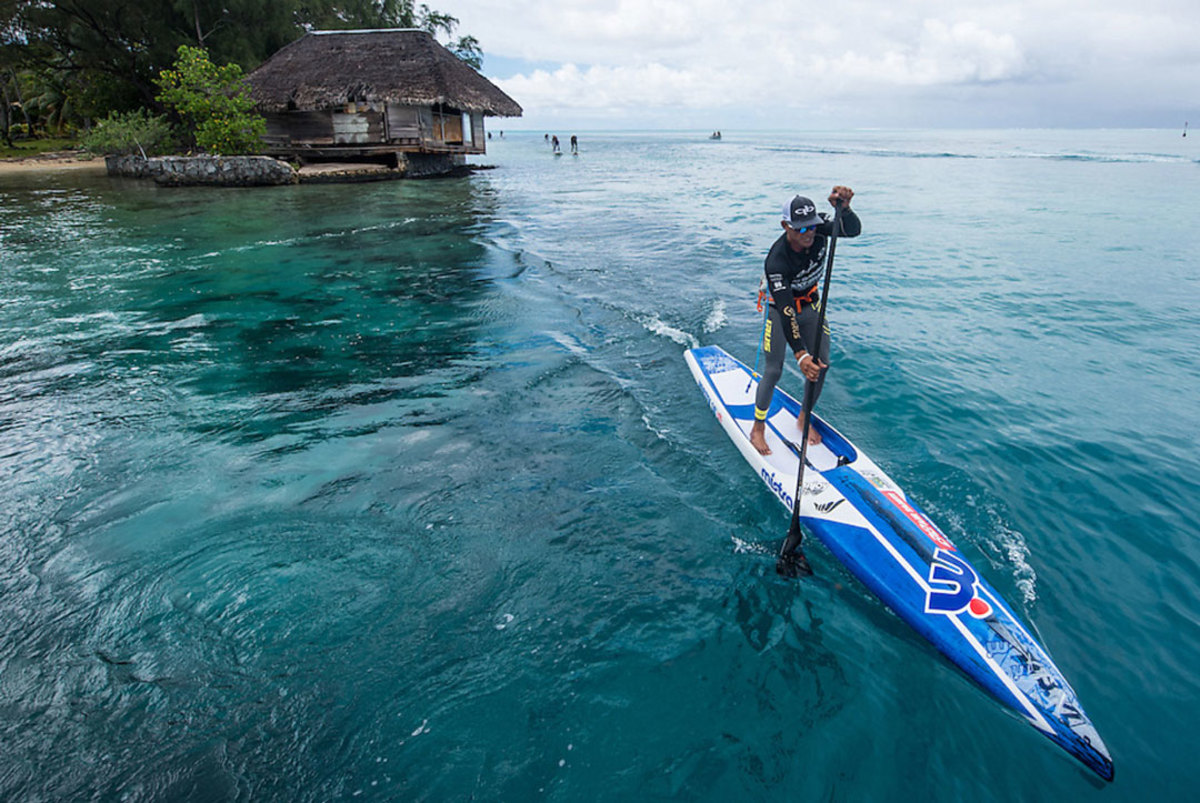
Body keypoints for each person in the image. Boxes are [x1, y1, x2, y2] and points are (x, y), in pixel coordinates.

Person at [750, 186, 860, 456]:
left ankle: (803, 416)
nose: (808, 233)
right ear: (785, 225)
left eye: (811, 226)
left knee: (821, 365)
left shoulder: (819, 227)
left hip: (811, 305)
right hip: (781, 311)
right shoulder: (777, 261)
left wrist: (844, 209)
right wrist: (800, 356)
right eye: (800, 229)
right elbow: (787, 311)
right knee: (774, 370)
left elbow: (852, 230)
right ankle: (758, 427)